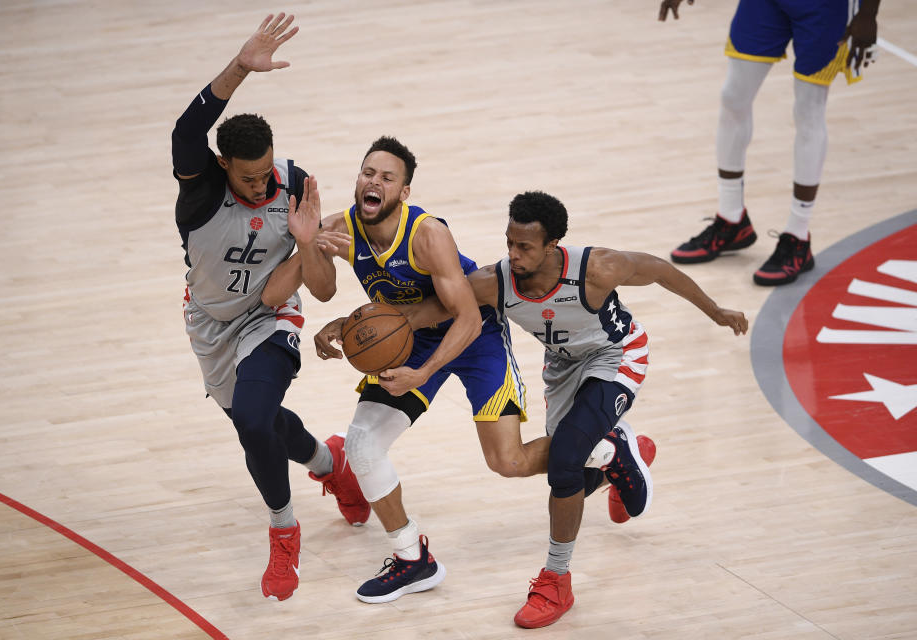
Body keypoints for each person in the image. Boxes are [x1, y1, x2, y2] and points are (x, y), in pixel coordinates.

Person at [409, 191, 747, 627]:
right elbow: (439, 308)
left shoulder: (597, 268)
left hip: (616, 355)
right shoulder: (497, 281)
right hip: (563, 370)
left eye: (525, 247)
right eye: (509, 243)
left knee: (565, 461)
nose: (513, 254)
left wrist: (716, 311)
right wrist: (371, 322)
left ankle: (556, 579)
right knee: (573, 465)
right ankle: (617, 454)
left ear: (553, 245)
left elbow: (661, 271)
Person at [171, 13, 368, 602]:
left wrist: (309, 243)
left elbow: (321, 290)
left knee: (256, 420)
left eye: (267, 173)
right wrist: (239, 66)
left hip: (270, 315)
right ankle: (330, 463)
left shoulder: (293, 184)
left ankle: (285, 533)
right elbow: (187, 128)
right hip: (210, 322)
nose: (263, 187)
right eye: (250, 178)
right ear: (224, 166)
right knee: (261, 426)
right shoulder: (201, 188)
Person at [659, 0, 881, 285]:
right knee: (733, 98)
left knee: (808, 110)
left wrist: (869, 13)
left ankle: (798, 236)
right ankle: (731, 219)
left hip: (827, 7)